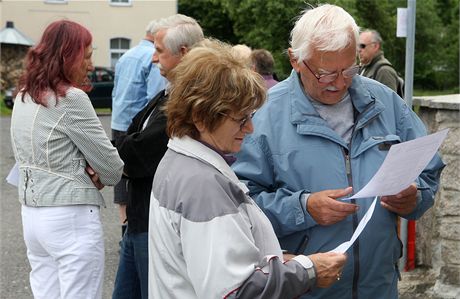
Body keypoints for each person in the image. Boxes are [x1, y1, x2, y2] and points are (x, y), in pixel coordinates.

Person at [233, 4, 445, 299]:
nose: (340, 82)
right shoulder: (264, 116)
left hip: (379, 286)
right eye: (325, 73)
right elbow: (239, 205)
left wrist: (414, 197)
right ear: (295, 60)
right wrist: (304, 208)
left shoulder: (383, 101)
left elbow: (428, 167)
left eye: (349, 69)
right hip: (305, 290)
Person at [148, 39, 347, 299]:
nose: (250, 128)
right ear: (200, 116)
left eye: (250, 116)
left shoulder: (181, 161)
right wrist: (308, 270)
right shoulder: (203, 185)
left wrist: (275, 263)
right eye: (241, 118)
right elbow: (234, 290)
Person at [10, 20, 124, 299]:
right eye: (86, 56)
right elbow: (112, 169)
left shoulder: (24, 95)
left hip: (33, 216)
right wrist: (93, 171)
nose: (90, 63)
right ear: (66, 57)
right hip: (69, 216)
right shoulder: (70, 99)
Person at [111, 14, 204, 299]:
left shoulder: (188, 103)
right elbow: (128, 137)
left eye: (159, 51)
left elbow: (135, 154)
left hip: (156, 225)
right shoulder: (167, 96)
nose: (153, 59)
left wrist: (125, 150)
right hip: (140, 220)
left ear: (184, 53)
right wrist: (126, 148)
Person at [111, 20, 166, 235]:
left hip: (119, 119)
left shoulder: (126, 55)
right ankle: (131, 229)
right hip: (140, 124)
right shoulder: (150, 57)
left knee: (121, 179)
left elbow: (116, 90)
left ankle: (124, 223)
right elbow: (154, 94)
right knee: (138, 173)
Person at [358, 29, 400, 93]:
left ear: (375, 46)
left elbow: (389, 101)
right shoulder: (364, 68)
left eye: (362, 46)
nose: (358, 50)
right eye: (357, 46)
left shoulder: (384, 71)